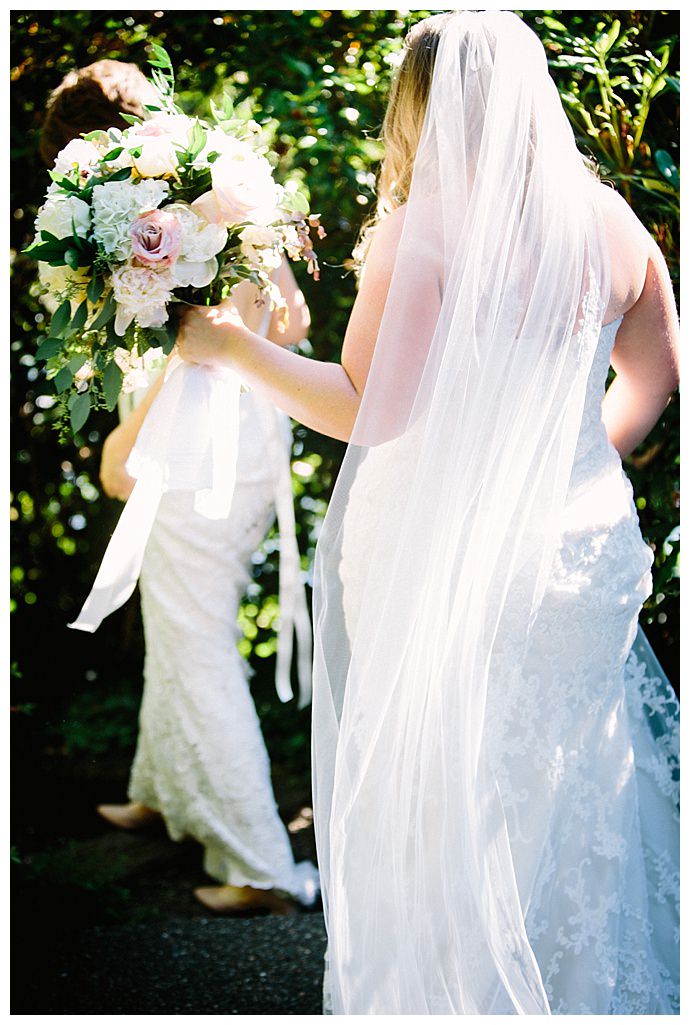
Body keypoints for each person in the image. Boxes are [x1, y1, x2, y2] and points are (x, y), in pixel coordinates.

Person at [176, 10, 679, 1012]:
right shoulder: (611, 220)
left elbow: (371, 410)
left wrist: (229, 349)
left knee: (448, 778)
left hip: (443, 551)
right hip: (580, 546)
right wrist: (559, 467)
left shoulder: (425, 229)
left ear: (419, 106)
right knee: (572, 769)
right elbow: (659, 372)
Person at [40, 59, 319, 914]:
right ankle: (164, 787)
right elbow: (295, 319)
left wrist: (128, 434)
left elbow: (193, 337)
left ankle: (261, 865)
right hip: (241, 426)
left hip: (196, 445)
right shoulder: (224, 177)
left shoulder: (159, 204)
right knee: (177, 614)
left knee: (195, 633)